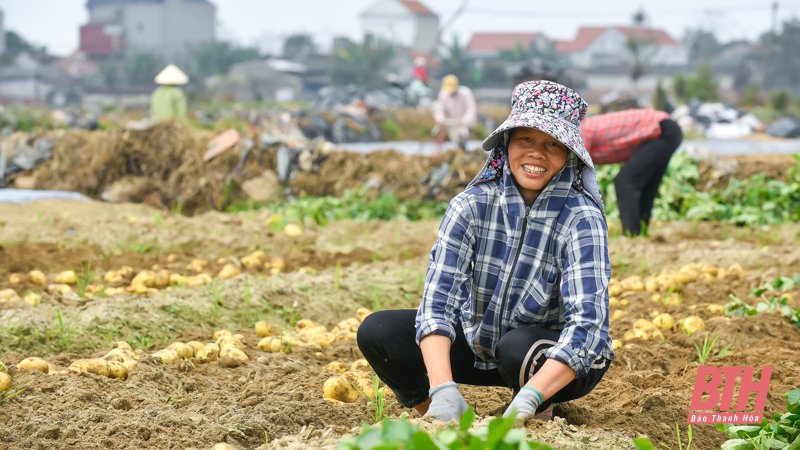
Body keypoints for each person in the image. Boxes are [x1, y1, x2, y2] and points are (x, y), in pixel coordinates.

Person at [358, 80, 614, 425]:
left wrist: (531, 396)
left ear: (569, 154)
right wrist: (442, 389)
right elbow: (438, 302)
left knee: (517, 346)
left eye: (553, 144)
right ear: (507, 142)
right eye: (526, 139)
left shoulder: (581, 217)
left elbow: (589, 325)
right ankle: (443, 416)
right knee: (379, 331)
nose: (537, 153)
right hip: (480, 344)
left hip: (545, 357)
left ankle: (535, 413)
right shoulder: (471, 205)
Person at [579, 108, 683, 236]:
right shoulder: (582, 128)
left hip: (661, 129)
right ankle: (641, 232)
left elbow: (577, 170)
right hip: (665, 130)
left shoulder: (580, 131)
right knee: (645, 185)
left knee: (625, 182)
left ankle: (631, 234)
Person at [432, 74, 477, 150]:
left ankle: (462, 151)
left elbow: (471, 109)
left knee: (462, 140)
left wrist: (465, 119)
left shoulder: (465, 93)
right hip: (452, 123)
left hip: (465, 124)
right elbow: (440, 109)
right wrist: (440, 118)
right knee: (452, 139)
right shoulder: (443, 94)